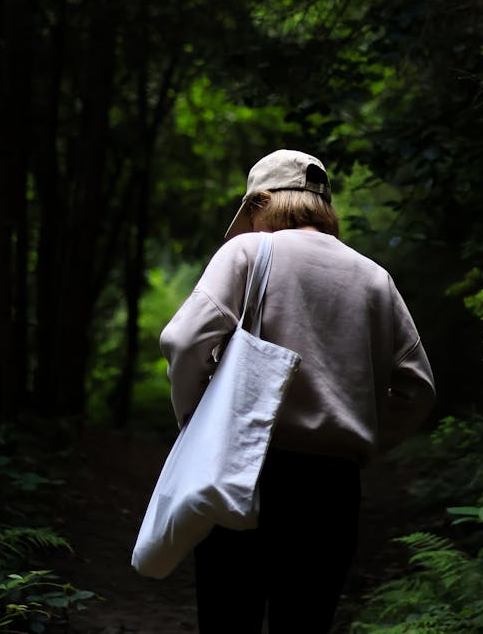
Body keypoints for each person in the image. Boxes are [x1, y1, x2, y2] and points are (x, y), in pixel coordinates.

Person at [159, 148, 436, 634]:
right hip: (332, 486)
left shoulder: (246, 252)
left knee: (229, 618)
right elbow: (417, 388)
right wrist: (362, 440)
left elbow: (184, 340)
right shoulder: (374, 277)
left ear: (261, 202)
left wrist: (194, 420)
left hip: (245, 469)